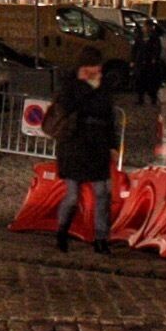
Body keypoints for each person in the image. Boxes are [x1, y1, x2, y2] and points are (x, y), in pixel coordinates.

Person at [48, 48, 121, 254]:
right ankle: (62, 232)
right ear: (84, 67)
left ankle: (101, 239)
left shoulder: (103, 87)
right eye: (94, 65)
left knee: (103, 193)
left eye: (99, 66)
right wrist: (87, 87)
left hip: (97, 146)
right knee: (72, 196)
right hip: (74, 145)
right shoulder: (70, 85)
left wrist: (113, 145)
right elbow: (67, 107)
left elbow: (109, 119)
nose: (98, 69)